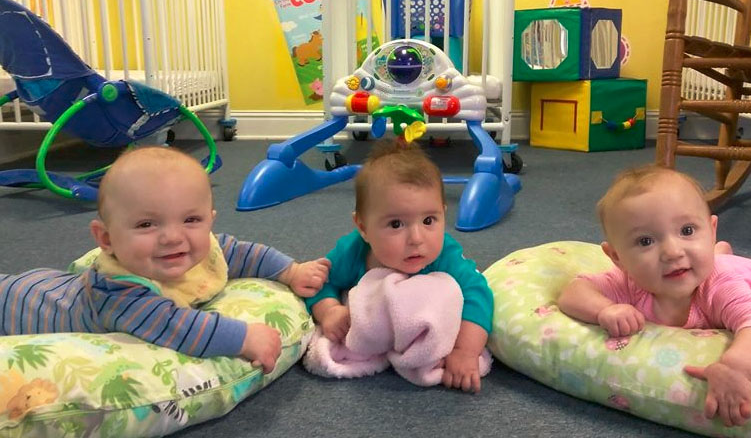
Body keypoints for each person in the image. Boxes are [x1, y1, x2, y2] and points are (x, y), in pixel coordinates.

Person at [0, 146, 331, 374]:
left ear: (210, 220)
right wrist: (244, 337)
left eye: (191, 220)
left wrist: (290, 269)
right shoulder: (119, 291)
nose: (173, 237)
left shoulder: (199, 250)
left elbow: (241, 252)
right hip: (17, 304)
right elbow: (176, 326)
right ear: (106, 239)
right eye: (146, 224)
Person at [558, 164, 751, 427]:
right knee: (714, 259)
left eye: (687, 231)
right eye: (645, 241)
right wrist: (604, 309)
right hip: (707, 263)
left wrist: (739, 366)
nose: (673, 252)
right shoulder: (627, 281)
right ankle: (721, 252)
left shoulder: (722, 286)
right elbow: (574, 293)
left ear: (711, 230)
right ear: (617, 258)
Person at [304, 139, 493, 392]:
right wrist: (329, 311)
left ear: (444, 214)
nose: (417, 239)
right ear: (363, 228)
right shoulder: (353, 251)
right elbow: (319, 280)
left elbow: (477, 292)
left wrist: (464, 350)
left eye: (429, 220)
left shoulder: (444, 254)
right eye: (396, 224)